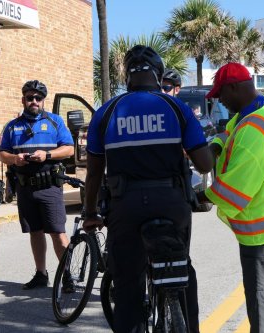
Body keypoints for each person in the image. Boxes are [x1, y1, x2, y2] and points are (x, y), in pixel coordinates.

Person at [84, 45, 213, 333]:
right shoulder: (177, 107)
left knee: (128, 282)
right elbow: (204, 165)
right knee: (182, 272)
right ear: (158, 74)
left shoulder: (107, 112)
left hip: (125, 205)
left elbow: (93, 175)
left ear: (126, 76)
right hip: (171, 200)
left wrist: (90, 212)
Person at [196, 62, 264, 333]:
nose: (220, 99)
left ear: (235, 87)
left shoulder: (254, 128)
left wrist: (199, 196)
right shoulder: (263, 106)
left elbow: (235, 190)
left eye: (221, 93)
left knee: (261, 294)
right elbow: (229, 130)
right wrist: (217, 145)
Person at [0, 80, 74, 289]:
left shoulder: (55, 121)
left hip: (49, 186)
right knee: (35, 232)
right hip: (25, 187)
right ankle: (41, 274)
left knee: (58, 232)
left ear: (43, 101)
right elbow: (3, 154)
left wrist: (47, 155)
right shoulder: (13, 126)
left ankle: (66, 275)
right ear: (23, 99)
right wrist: (15, 159)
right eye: (30, 97)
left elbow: (69, 149)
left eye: (38, 98)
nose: (34, 101)